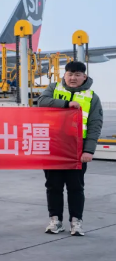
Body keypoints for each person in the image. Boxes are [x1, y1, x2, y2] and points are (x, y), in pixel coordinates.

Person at [38, 61, 103, 236]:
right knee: (53, 186)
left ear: (84, 77)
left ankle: (76, 221)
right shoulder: (53, 88)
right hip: (53, 146)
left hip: (76, 149)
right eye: (70, 74)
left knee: (75, 187)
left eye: (77, 75)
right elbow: (41, 102)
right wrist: (67, 104)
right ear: (64, 75)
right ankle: (55, 220)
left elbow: (95, 125)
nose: (73, 78)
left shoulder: (92, 97)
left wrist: (89, 150)